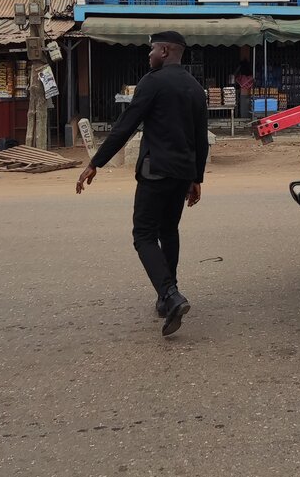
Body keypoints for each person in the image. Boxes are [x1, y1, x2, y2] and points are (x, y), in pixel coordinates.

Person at [76, 30, 209, 337]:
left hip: (155, 172)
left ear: (164, 51)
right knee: (168, 230)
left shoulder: (153, 82)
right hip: (182, 175)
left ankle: (171, 295)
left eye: (151, 51)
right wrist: (197, 178)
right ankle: (166, 297)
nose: (148, 56)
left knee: (143, 235)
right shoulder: (195, 88)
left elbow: (125, 126)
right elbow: (200, 139)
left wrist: (95, 162)